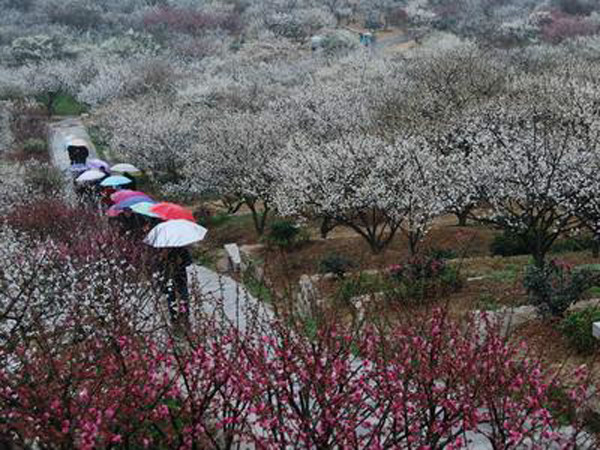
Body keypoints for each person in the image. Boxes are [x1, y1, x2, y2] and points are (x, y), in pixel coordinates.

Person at [161, 247, 193, 326]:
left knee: (183, 297)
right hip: (168, 276)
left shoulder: (181, 248)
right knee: (170, 297)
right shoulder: (162, 248)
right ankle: (174, 316)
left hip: (180, 277)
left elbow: (189, 261)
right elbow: (157, 264)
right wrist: (163, 258)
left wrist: (181, 262)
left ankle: (184, 316)